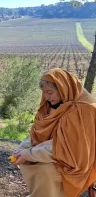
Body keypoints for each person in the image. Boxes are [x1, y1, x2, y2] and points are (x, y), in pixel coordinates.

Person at [12, 68, 96, 197]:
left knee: (45, 171)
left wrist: (29, 153)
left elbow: (66, 147)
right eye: (44, 93)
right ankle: (41, 192)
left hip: (77, 159)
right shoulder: (53, 102)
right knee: (28, 161)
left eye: (49, 92)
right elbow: (37, 132)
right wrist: (23, 148)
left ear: (62, 89)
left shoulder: (83, 109)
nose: (46, 97)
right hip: (58, 152)